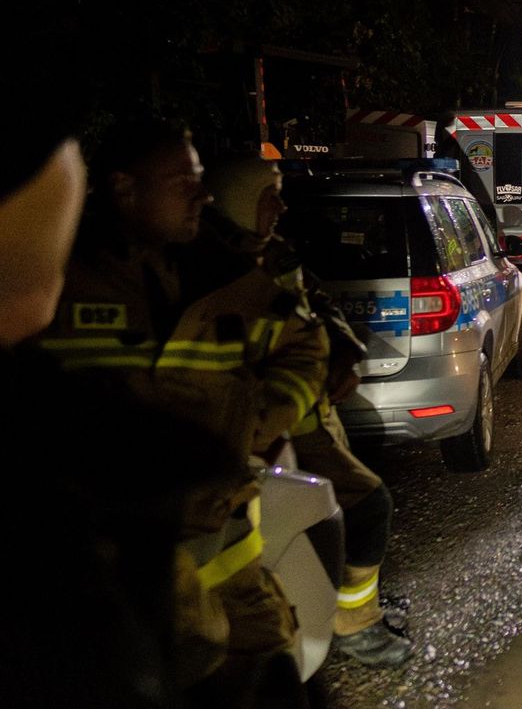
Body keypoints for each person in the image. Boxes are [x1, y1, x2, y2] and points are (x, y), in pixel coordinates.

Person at [37, 117, 327, 707]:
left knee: (281, 684)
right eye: (183, 181)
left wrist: (259, 419)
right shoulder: (57, 282)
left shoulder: (225, 274)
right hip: (114, 570)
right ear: (123, 189)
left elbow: (306, 343)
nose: (205, 194)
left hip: (227, 559)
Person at [202, 153, 413, 668]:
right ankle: (354, 624)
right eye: (267, 195)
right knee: (368, 505)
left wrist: (343, 347)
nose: (280, 205)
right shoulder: (208, 269)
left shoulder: (272, 254)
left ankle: (343, 606)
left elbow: (318, 305)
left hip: (311, 415)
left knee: (333, 514)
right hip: (273, 429)